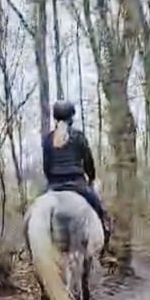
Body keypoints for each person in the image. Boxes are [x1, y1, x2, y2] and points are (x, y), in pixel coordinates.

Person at [42, 100, 112, 259]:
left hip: (53, 186)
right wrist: (91, 178)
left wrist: (51, 182)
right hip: (77, 185)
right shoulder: (78, 137)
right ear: (71, 118)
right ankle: (105, 249)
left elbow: (46, 166)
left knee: (35, 208)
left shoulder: (48, 139)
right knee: (100, 211)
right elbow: (88, 162)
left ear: (55, 118)